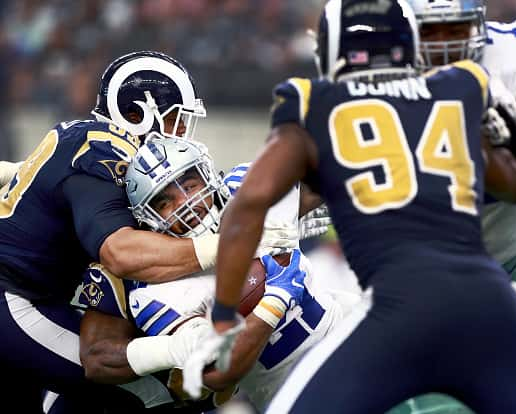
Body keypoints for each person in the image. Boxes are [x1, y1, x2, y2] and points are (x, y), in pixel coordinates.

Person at [181, 1, 516, 413]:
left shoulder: (314, 104)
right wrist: (512, 137)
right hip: (488, 300)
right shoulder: (461, 87)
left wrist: (223, 316)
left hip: (399, 307)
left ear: (331, 51)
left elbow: (249, 204)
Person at [0, 50, 250, 412]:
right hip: (15, 299)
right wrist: (224, 246)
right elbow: (120, 253)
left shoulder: (87, 140)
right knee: (146, 391)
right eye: (176, 121)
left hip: (31, 297)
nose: (181, 134)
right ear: (137, 114)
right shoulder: (104, 152)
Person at [388, 1, 516, 413]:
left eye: (457, 28)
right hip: (425, 279)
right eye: (432, 32)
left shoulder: (509, 54)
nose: (447, 44)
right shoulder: (370, 79)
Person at [72, 136, 346, 413]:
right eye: (164, 201)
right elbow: (217, 373)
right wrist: (277, 298)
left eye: (189, 186)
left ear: (209, 177)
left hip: (349, 333)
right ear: (148, 219)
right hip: (296, 391)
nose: (184, 203)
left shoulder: (246, 189)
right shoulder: (154, 292)